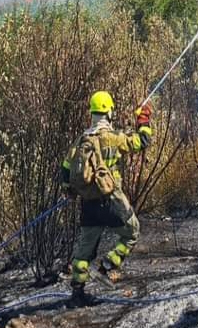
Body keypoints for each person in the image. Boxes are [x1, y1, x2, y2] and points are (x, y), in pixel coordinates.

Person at [60, 90, 153, 308]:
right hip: (111, 201)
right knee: (132, 232)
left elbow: (66, 169)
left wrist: (69, 190)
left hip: (88, 204)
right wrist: (143, 119)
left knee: (83, 252)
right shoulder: (113, 138)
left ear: (92, 113)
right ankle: (106, 268)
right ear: (109, 112)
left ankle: (77, 295)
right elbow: (142, 141)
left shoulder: (81, 140)